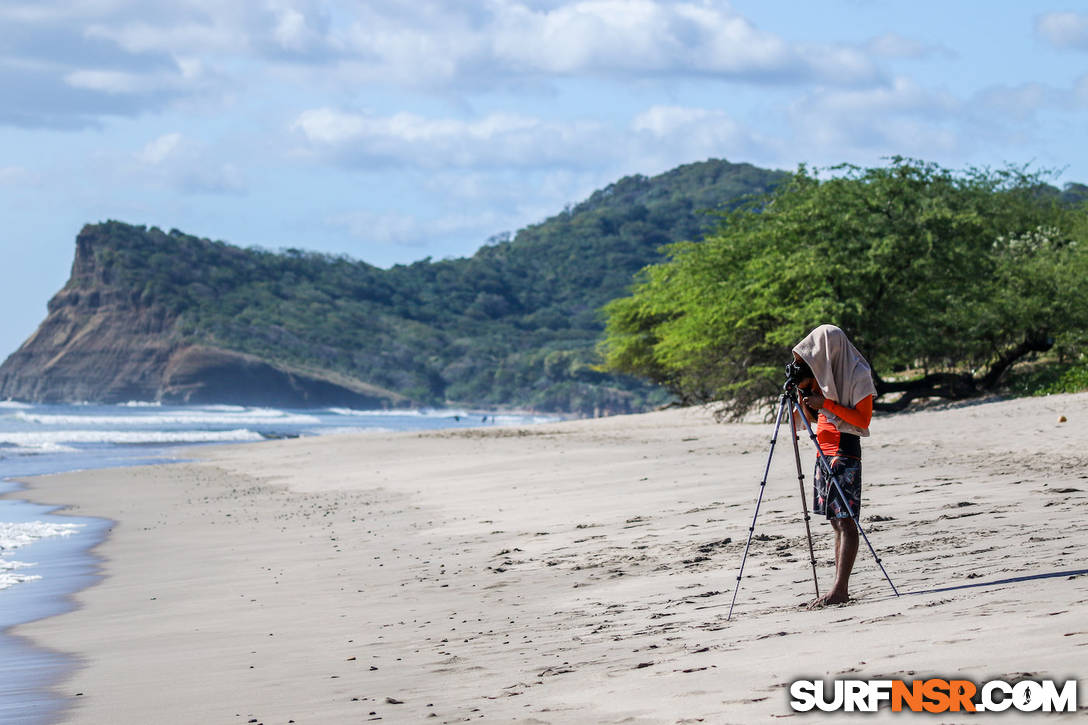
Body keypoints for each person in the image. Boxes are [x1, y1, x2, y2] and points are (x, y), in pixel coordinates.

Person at [791, 324, 876, 608]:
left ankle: (841, 589)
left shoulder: (858, 374)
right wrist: (804, 399)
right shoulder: (823, 378)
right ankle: (837, 586)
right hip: (822, 453)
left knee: (847, 521)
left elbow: (862, 421)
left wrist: (825, 402)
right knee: (835, 522)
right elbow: (815, 420)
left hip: (845, 452)